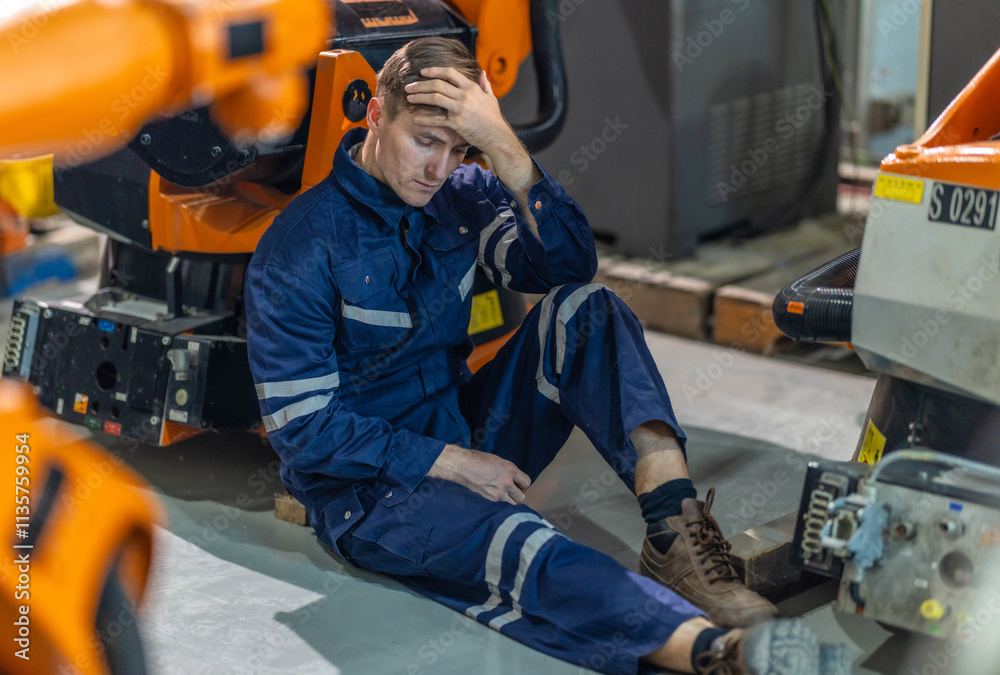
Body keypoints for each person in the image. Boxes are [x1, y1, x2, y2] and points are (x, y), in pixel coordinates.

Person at [244, 37, 846, 675]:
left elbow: (565, 264)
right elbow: (304, 433)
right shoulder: (301, 246)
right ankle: (714, 651)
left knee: (587, 310)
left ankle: (678, 539)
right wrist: (452, 464)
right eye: (425, 140)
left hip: (461, 427)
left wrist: (502, 143)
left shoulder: (460, 194)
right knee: (522, 543)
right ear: (375, 116)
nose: (437, 168)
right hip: (370, 489)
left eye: (458, 148)